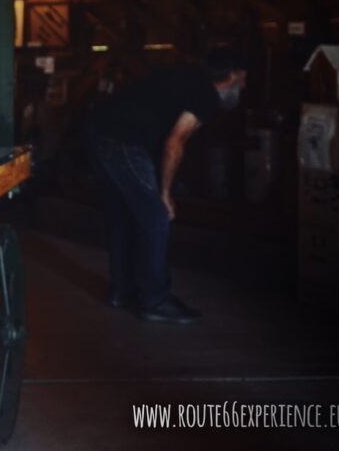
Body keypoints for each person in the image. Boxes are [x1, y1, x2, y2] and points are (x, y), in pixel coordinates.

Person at [88, 47, 247, 324]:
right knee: (157, 217)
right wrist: (165, 194)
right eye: (244, 79)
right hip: (124, 141)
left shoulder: (183, 74)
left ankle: (121, 292)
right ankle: (156, 300)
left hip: (99, 131)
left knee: (122, 216)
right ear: (232, 76)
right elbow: (174, 143)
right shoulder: (206, 95)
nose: (244, 86)